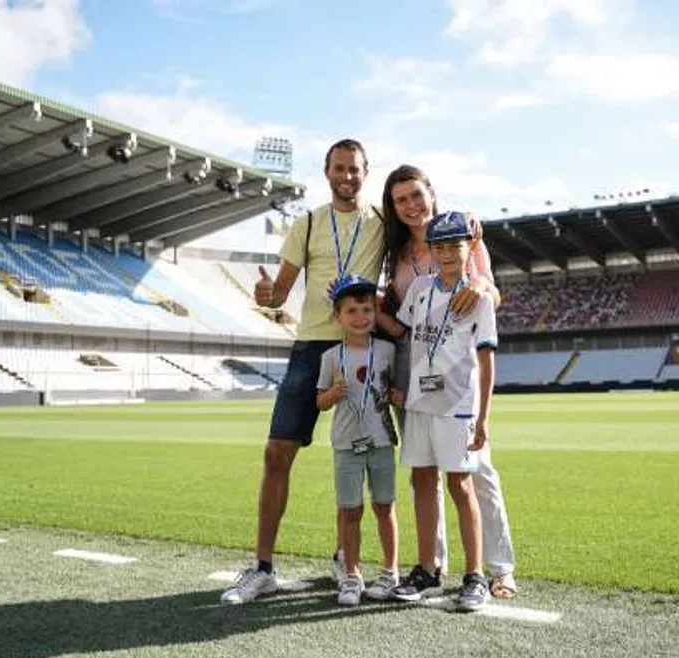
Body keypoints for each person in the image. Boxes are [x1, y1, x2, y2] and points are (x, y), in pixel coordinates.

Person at [221, 139, 385, 605]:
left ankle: (344, 559)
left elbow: (421, 229)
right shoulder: (308, 223)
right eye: (339, 168)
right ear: (327, 171)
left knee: (357, 456)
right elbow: (278, 296)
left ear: (365, 172)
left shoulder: (380, 223)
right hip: (312, 343)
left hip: (362, 346)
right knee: (276, 452)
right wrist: (265, 294)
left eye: (354, 169)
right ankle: (263, 568)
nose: (347, 175)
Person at [379, 164, 517, 599]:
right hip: (416, 374)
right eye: (400, 200)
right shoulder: (397, 253)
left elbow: (490, 291)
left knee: (475, 475)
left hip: (459, 381)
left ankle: (495, 570)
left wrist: (478, 285)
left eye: (416, 195)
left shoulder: (466, 234)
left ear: (431, 194)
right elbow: (400, 322)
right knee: (423, 474)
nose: (410, 206)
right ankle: (430, 565)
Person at [316, 275, 402, 606]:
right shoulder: (330, 358)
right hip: (346, 445)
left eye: (367, 309)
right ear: (338, 317)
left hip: (381, 441)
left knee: (385, 507)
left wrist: (395, 395)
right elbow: (319, 402)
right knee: (350, 511)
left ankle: (390, 571)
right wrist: (333, 394)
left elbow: (394, 388)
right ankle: (351, 575)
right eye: (352, 310)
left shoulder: (388, 350)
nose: (361, 317)